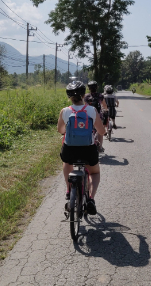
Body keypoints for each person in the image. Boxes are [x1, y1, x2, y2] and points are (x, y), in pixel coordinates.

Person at [59, 81, 105, 215]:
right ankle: (90, 199)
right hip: (88, 149)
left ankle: (69, 191)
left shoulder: (65, 111)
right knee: (95, 172)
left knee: (67, 162)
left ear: (69, 97)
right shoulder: (91, 110)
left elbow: (60, 130)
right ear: (84, 95)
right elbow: (101, 131)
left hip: (70, 149)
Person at [84, 81, 109, 152]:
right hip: (98, 116)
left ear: (89, 88)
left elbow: (85, 105)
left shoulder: (86, 96)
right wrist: (106, 109)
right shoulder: (100, 96)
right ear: (97, 87)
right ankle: (100, 147)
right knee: (99, 132)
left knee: (88, 130)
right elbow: (104, 105)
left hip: (88, 116)